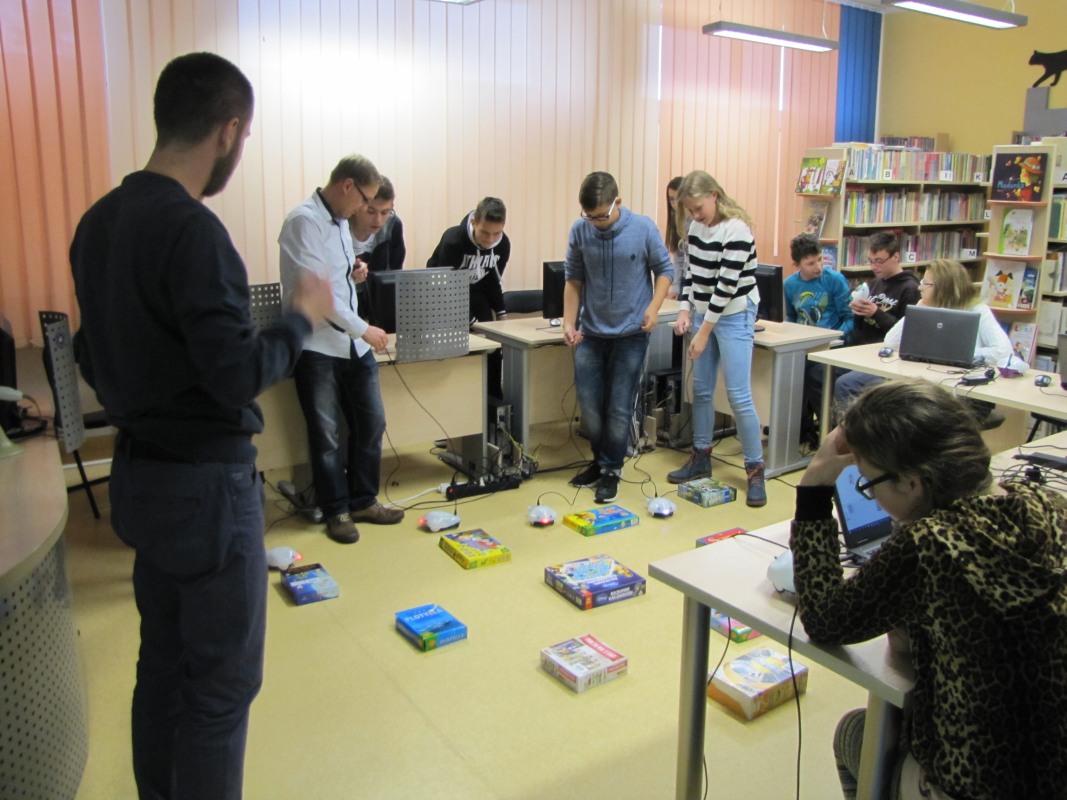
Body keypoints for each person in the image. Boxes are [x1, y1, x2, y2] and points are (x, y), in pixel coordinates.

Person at [69, 52, 333, 799]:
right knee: (220, 687)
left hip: (138, 477)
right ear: (228, 130)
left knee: (161, 665)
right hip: (205, 491)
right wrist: (300, 318)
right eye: (243, 139)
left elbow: (88, 351)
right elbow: (236, 374)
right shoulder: (193, 231)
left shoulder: (98, 224)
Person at [792, 378, 1067, 800]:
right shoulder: (1049, 505)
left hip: (974, 785)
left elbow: (825, 619)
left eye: (869, 483)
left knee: (856, 732)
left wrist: (814, 488)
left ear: (913, 484)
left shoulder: (928, 544)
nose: (872, 497)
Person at [279, 155, 405, 545]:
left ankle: (363, 500)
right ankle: (336, 510)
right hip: (317, 344)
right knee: (327, 433)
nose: (366, 210)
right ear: (347, 186)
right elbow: (316, 295)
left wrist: (353, 273)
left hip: (351, 343)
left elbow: (333, 279)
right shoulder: (304, 221)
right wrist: (364, 328)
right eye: (365, 201)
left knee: (371, 423)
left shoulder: (337, 222)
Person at [562, 171, 673, 503]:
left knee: (619, 406)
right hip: (591, 332)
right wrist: (569, 322)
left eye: (601, 216)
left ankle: (611, 469)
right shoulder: (580, 230)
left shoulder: (643, 228)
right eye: (590, 216)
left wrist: (654, 307)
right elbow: (573, 280)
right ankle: (599, 461)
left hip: (631, 333)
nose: (595, 223)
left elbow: (665, 271)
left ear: (618, 203)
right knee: (590, 406)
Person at [669, 169, 767, 507]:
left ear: (714, 195)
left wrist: (702, 332)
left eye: (698, 207)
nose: (695, 215)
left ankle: (755, 470)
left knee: (738, 395)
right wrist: (685, 311)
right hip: (703, 313)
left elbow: (725, 287)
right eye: (689, 210)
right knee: (701, 389)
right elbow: (692, 276)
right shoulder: (696, 228)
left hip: (734, 313)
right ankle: (701, 456)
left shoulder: (736, 229)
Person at [427, 197, 510, 397]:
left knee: (492, 346)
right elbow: (445, 288)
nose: (490, 239)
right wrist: (470, 321)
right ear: (474, 222)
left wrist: (501, 313)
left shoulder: (502, 244)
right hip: (442, 295)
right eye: (485, 233)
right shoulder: (453, 240)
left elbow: (492, 281)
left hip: (476, 291)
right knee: (462, 350)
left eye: (496, 233)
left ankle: (492, 398)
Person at [833, 231, 920, 404]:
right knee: (818, 370)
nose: (873, 267)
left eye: (879, 261)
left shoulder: (910, 288)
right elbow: (862, 326)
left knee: (844, 383)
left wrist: (876, 313)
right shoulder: (876, 283)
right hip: (864, 350)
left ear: (895, 257)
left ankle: (850, 420)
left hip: (886, 356)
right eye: (870, 261)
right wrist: (857, 311)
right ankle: (828, 418)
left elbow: (906, 333)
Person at [784, 233, 852, 446]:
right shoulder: (790, 284)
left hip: (830, 346)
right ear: (797, 265)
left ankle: (828, 432)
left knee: (816, 375)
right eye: (810, 263)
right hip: (803, 344)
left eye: (820, 259)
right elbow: (792, 316)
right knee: (788, 373)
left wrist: (836, 339)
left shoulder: (834, 280)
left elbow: (849, 318)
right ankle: (798, 429)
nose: (818, 267)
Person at [883, 258, 1011, 365]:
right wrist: (915, 311)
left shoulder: (977, 309)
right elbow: (891, 342)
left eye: (925, 283)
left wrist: (954, 353)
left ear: (943, 288)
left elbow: (1003, 352)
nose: (919, 288)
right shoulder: (927, 307)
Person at [348, 176, 405, 329]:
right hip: (345, 304)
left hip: (378, 304)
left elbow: (393, 274)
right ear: (358, 205)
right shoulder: (341, 224)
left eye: (385, 212)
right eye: (370, 211)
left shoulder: (393, 225)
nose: (378, 220)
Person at [664, 175, 684, 299]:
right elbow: (679, 259)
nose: (675, 204)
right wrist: (675, 287)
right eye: (671, 200)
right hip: (685, 281)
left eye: (678, 199)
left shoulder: (698, 221)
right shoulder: (676, 221)